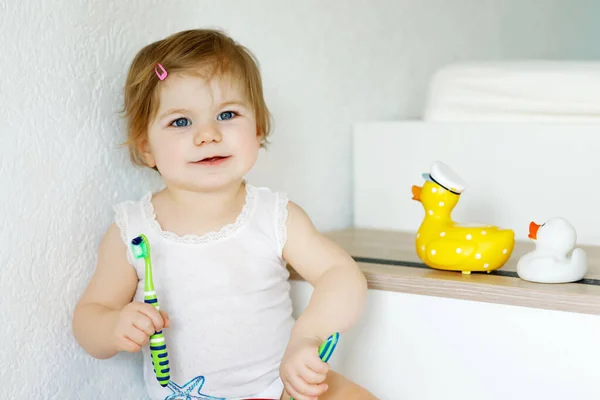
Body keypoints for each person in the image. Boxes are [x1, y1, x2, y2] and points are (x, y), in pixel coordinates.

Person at [72, 28, 375, 400]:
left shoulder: (275, 216)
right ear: (145, 147)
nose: (208, 134)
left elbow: (340, 274)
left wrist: (307, 336)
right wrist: (111, 326)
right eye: (181, 122)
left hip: (280, 388)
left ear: (258, 127)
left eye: (227, 114)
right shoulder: (133, 230)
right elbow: (89, 316)